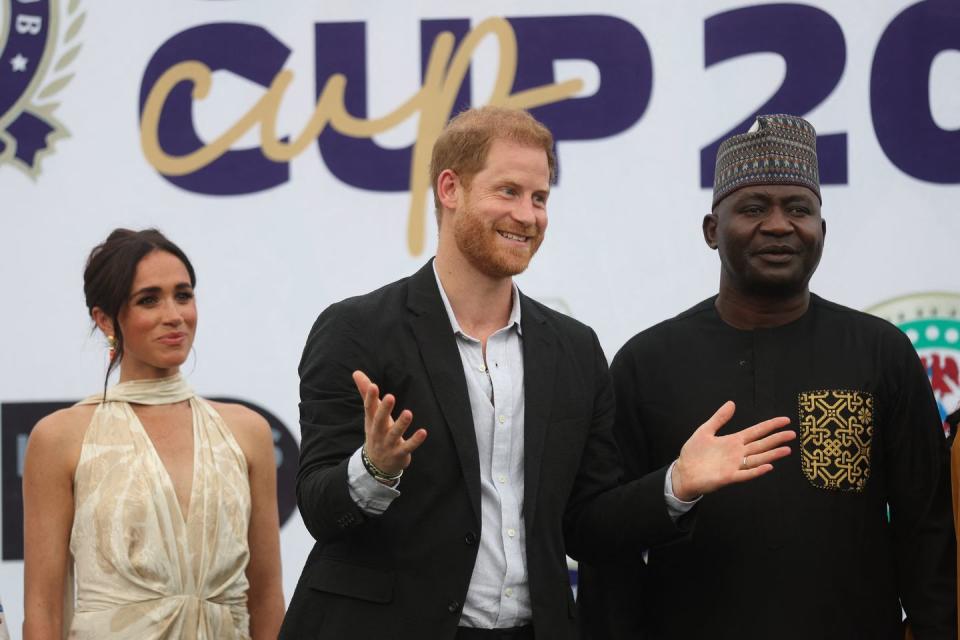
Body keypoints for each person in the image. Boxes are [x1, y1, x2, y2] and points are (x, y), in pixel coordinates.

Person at [280, 106, 796, 640]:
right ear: (450, 189)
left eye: (540, 198)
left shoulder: (573, 349)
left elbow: (586, 526)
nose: (528, 216)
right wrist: (375, 468)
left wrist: (675, 485)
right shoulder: (356, 330)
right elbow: (320, 508)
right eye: (508, 192)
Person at [578, 114, 957, 639]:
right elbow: (597, 535)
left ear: (821, 231)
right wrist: (673, 489)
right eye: (754, 208)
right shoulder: (648, 362)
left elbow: (927, 529)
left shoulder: (880, 353)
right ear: (713, 230)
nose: (779, 225)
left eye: (799, 209)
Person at [22, 229, 285, 639]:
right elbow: (42, 611)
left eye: (183, 295)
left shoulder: (246, 432)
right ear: (105, 319)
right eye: (149, 299)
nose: (174, 315)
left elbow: (267, 599)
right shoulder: (60, 438)